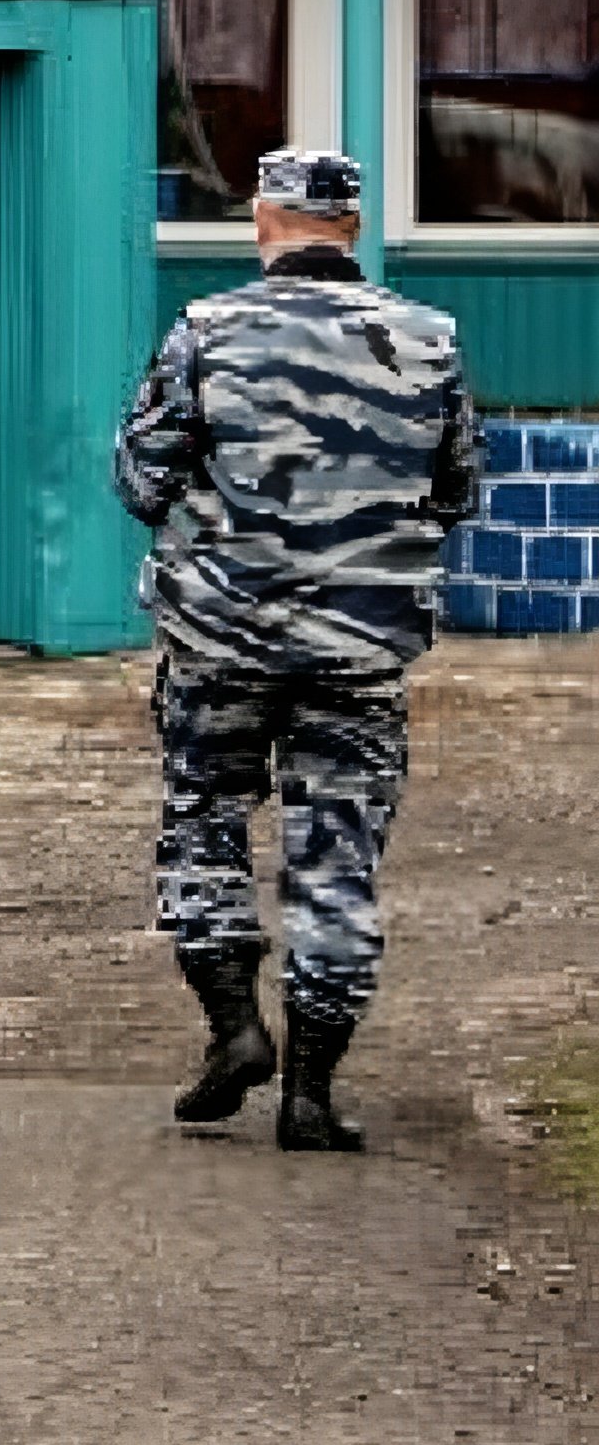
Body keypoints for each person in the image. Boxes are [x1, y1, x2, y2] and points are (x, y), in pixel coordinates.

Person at [115, 149, 479, 1152]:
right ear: (352, 228)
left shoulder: (206, 330)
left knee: (203, 825)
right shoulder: (429, 340)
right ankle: (312, 1094)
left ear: (264, 221)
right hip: (360, 651)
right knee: (338, 858)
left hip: (217, 640)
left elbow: (140, 479)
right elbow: (457, 492)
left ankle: (235, 1032)